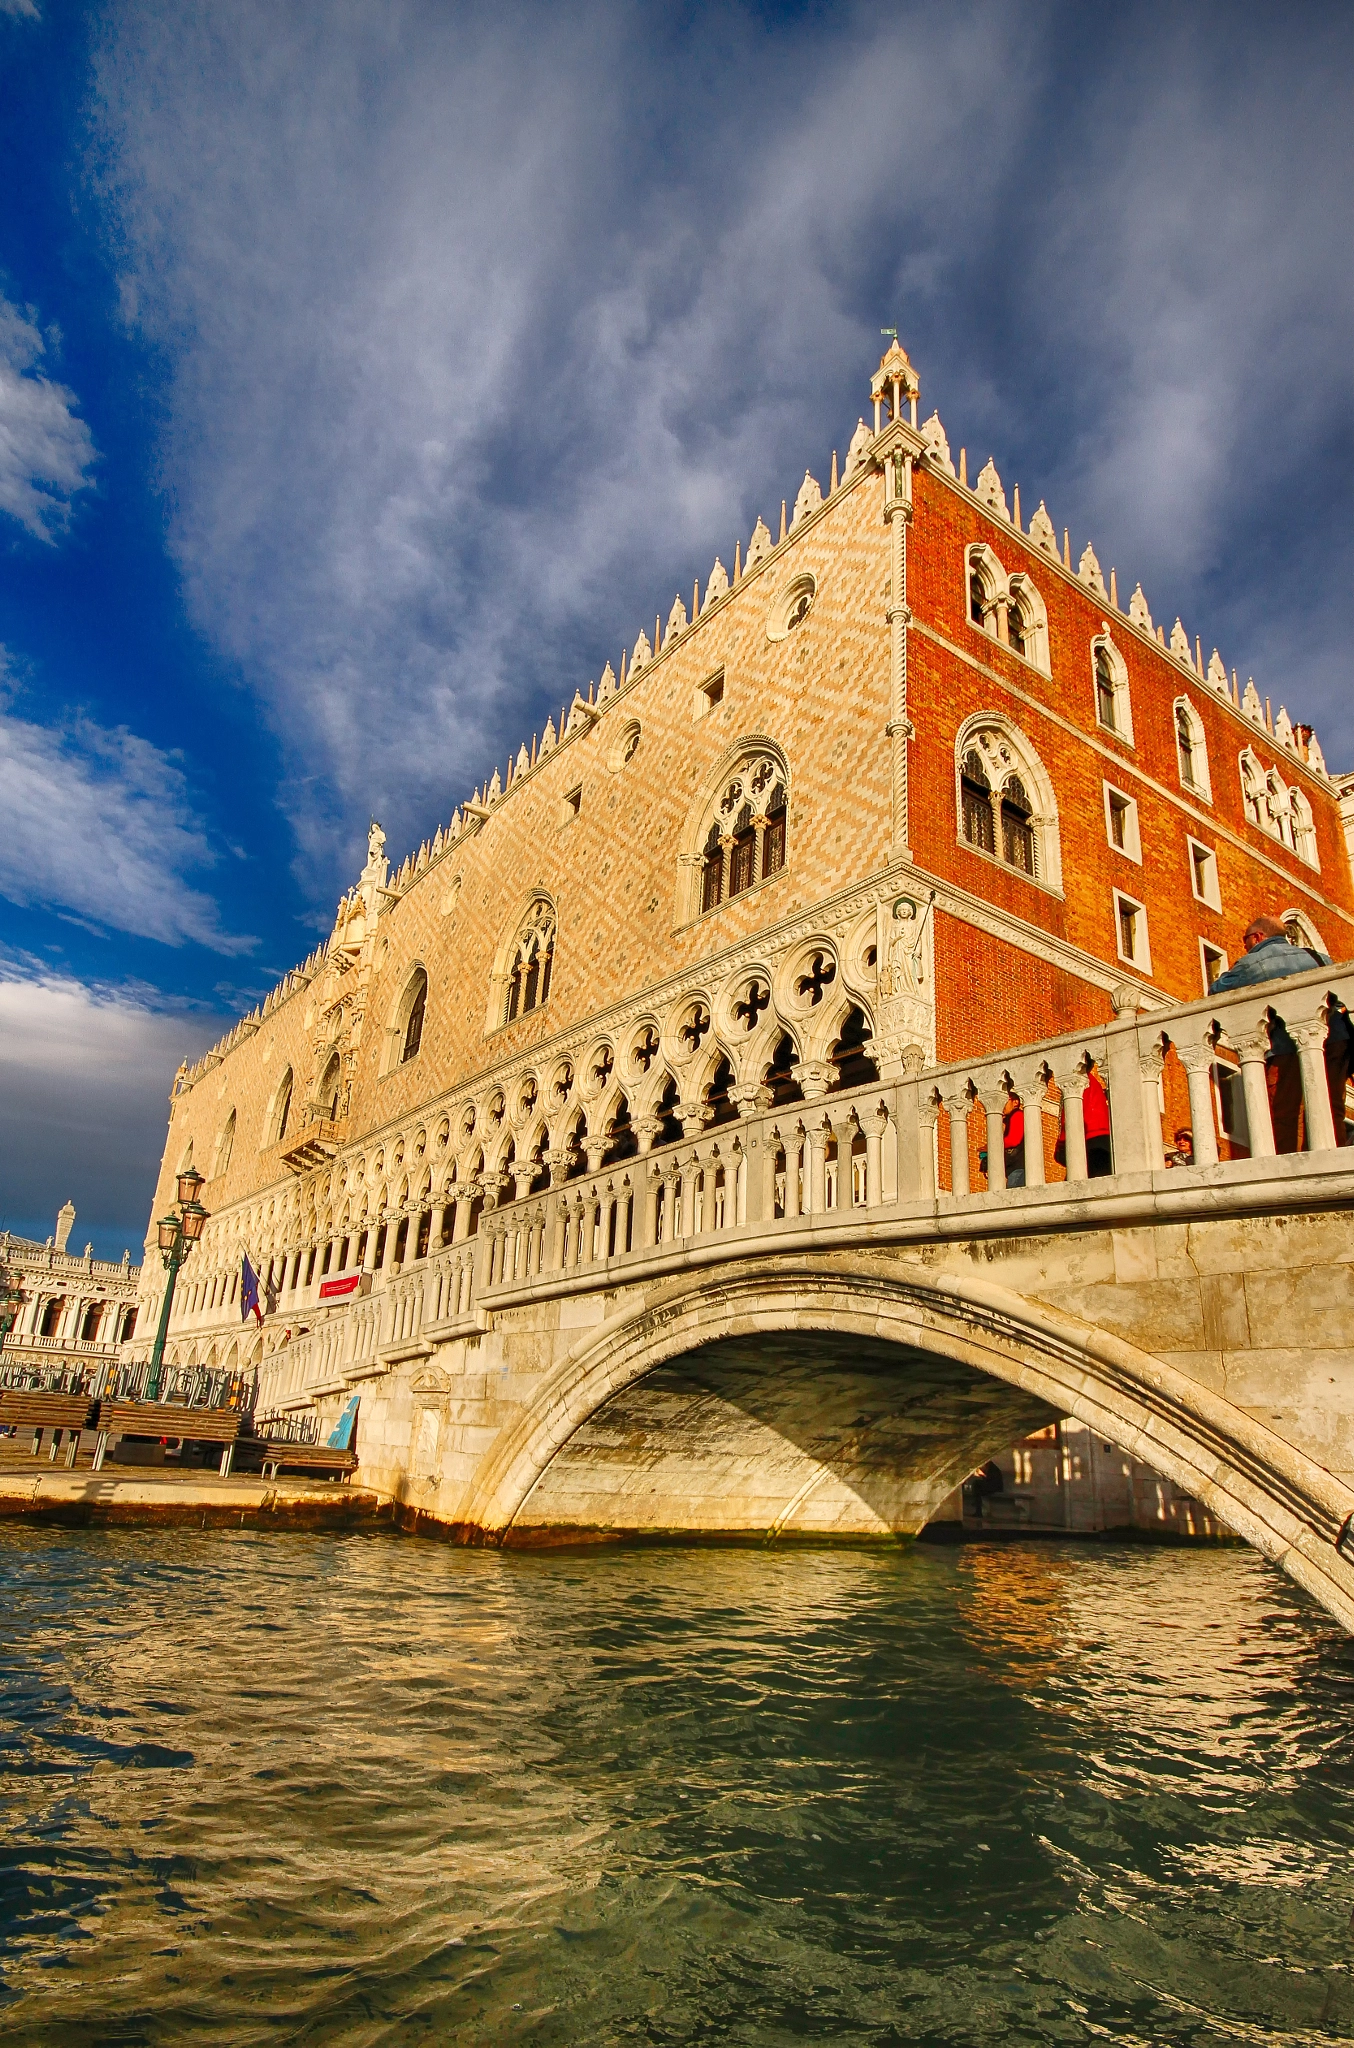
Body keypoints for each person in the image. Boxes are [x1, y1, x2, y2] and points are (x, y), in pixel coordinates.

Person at [1209, 914, 1350, 1152]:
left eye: (1246, 941)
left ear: (1258, 937)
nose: (1245, 947)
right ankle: (1329, 1155)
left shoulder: (1253, 963)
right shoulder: (1317, 957)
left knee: (1283, 1110)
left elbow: (1217, 990)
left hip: (1288, 1044)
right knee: (1331, 1106)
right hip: (1335, 1039)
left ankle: (1286, 1164)